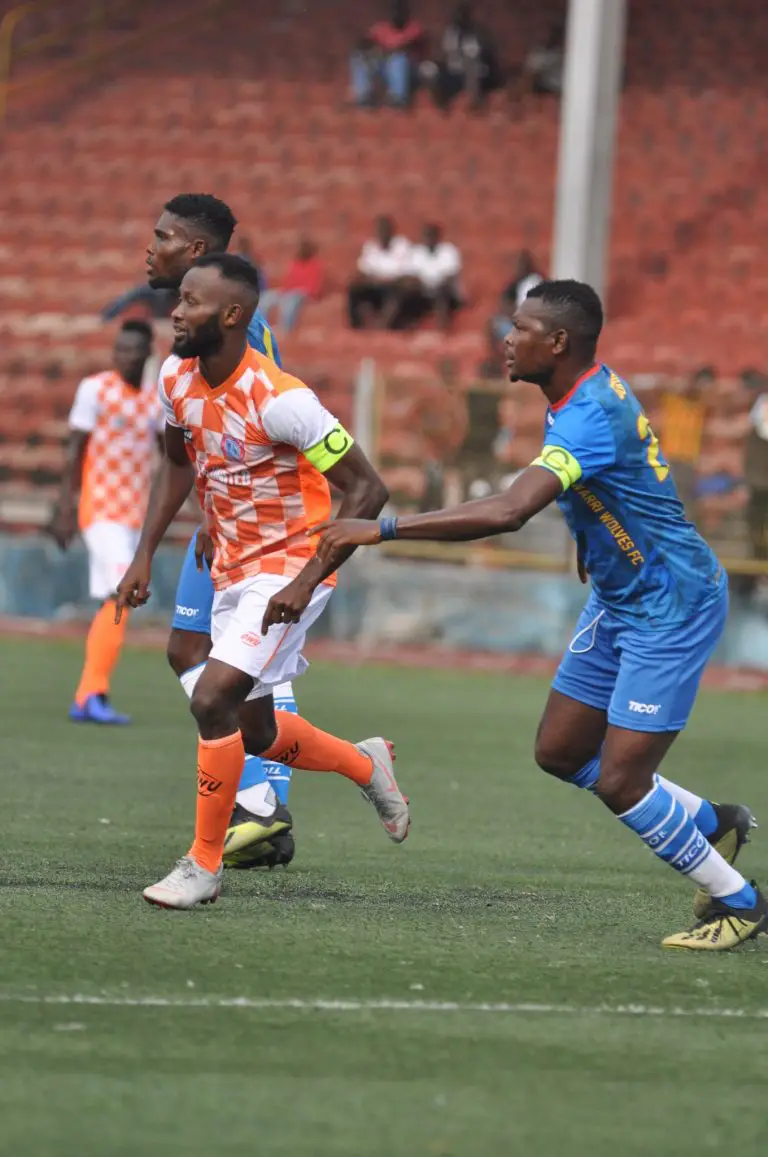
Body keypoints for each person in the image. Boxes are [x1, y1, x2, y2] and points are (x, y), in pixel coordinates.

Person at [316, 279, 766, 952]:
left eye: (520, 328)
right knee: (561, 750)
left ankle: (739, 900)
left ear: (557, 342)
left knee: (622, 779)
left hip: (670, 605)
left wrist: (380, 528)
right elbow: (628, 479)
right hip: (621, 595)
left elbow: (508, 511)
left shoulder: (587, 413)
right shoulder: (581, 396)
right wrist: (596, 540)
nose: (506, 338)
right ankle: (710, 820)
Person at [116, 254, 410, 909]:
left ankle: (203, 864)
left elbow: (368, 489)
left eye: (191, 302)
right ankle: (366, 764)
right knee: (256, 732)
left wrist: (307, 579)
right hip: (232, 567)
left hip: (289, 569)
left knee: (211, 698)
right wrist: (144, 554)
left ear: (231, 315)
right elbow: (177, 463)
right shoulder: (175, 377)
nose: (175, 312)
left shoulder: (282, 399)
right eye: (178, 299)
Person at [145, 192, 296, 868]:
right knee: (192, 650)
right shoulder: (194, 335)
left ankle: (262, 804)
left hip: (253, 526)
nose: (151, 247)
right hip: (224, 515)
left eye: (164, 237)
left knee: (238, 661)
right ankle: (265, 801)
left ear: (197, 252)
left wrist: (217, 512)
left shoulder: (239, 333)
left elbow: (256, 424)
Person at [47, 320, 159, 724]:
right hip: (100, 511)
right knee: (122, 593)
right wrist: (64, 507)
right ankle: (92, 692)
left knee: (112, 601)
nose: (125, 356)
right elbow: (74, 449)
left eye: (133, 349)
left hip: (134, 516)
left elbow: (172, 457)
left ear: (147, 353)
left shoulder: (155, 401)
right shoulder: (95, 389)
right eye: (120, 349)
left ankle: (88, 696)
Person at [421, 2, 501, 112]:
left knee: (471, 64)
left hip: (476, 75)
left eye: (463, 16)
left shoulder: (476, 33)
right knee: (428, 68)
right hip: (454, 74)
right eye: (458, 16)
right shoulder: (451, 33)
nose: (460, 19)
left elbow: (478, 57)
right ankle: (441, 104)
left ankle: (474, 102)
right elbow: (446, 55)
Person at [658, 366, 711, 519]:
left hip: (688, 460)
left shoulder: (700, 407)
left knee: (687, 499)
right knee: (668, 497)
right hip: (669, 458)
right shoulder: (672, 401)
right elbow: (662, 386)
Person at [350, 0, 424, 108]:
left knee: (398, 58)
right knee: (359, 57)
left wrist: (387, 51)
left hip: (408, 71)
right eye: (394, 11)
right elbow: (365, 42)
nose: (396, 14)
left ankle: (398, 98)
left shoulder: (413, 28)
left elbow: (406, 46)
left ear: (406, 13)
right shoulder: (382, 28)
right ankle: (364, 96)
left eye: (400, 11)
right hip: (385, 68)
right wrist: (366, 48)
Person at [347, 215, 413, 329]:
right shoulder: (370, 247)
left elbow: (407, 270)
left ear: (391, 231)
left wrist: (389, 280)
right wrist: (375, 280)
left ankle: (384, 325)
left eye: (385, 230)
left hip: (395, 284)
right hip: (375, 284)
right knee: (354, 288)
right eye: (380, 230)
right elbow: (363, 270)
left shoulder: (402, 245)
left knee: (402, 290)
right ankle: (356, 325)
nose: (383, 233)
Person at [486, 251, 543, 370]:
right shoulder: (517, 282)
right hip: (517, 325)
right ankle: (498, 363)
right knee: (493, 323)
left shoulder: (533, 281)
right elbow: (505, 300)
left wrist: (510, 311)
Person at [403, 223, 464, 332]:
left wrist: (433, 285)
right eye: (427, 236)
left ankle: (442, 328)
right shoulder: (416, 252)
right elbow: (412, 275)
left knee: (442, 291)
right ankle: (406, 329)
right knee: (405, 291)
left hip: (446, 291)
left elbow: (450, 276)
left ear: (438, 237)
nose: (429, 239)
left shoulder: (448, 251)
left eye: (432, 235)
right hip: (422, 291)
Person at [258, 239, 325, 334]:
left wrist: (298, 291)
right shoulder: (296, 263)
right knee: (266, 297)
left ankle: (284, 329)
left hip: (303, 293)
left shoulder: (315, 265)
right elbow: (289, 281)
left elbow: (314, 286)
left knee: (290, 300)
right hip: (290, 290)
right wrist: (284, 291)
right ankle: (260, 327)